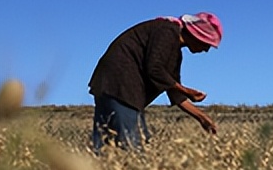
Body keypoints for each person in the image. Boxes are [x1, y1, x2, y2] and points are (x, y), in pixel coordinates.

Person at [89, 13, 222, 151]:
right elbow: (154, 69)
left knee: (106, 147)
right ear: (197, 36)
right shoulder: (167, 31)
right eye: (207, 44)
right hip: (120, 86)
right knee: (133, 148)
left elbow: (174, 92)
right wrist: (185, 90)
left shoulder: (174, 51)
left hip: (111, 87)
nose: (206, 50)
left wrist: (201, 118)